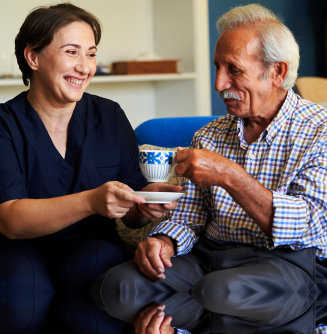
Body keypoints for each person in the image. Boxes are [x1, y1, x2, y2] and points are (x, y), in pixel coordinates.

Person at [93, 3, 327, 334]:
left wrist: (231, 176)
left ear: (276, 72)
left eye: (234, 70)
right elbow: (189, 216)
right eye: (217, 67)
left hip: (290, 261)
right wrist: (164, 241)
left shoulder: (320, 130)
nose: (219, 84)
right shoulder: (210, 134)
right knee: (118, 285)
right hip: (211, 256)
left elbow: (313, 226)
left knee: (221, 290)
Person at [0, 3, 180, 334]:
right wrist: (90, 201)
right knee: (24, 292)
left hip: (92, 248)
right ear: (33, 58)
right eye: (72, 52)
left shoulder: (109, 116)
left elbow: (130, 213)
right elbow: (10, 220)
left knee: (113, 283)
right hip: (19, 250)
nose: (84, 67)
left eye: (91, 54)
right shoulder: (5, 124)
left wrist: (146, 202)